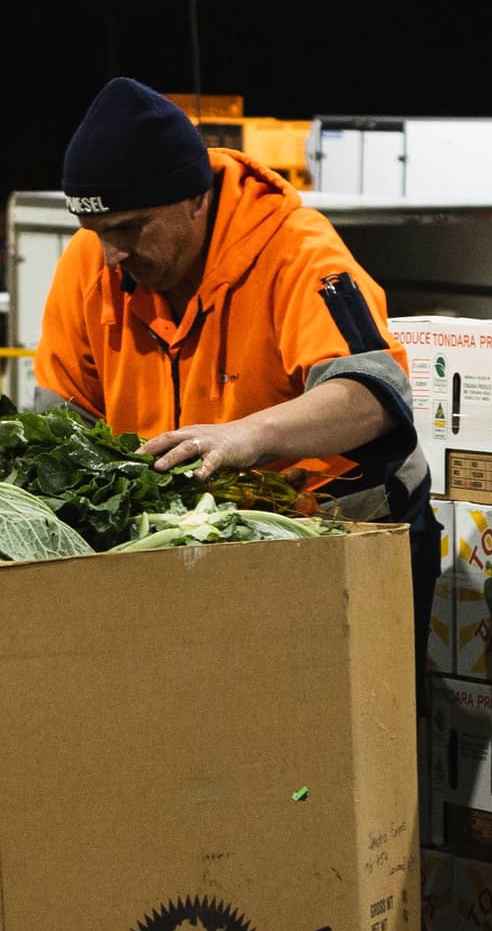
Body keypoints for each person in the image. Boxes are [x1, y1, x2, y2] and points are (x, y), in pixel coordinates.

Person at [33, 79, 434, 650]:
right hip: (199, 544)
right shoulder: (91, 264)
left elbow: (371, 395)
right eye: (96, 232)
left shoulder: (296, 251)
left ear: (195, 198)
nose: (110, 253)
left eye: (128, 228)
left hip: (343, 531)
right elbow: (58, 422)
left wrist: (247, 435)